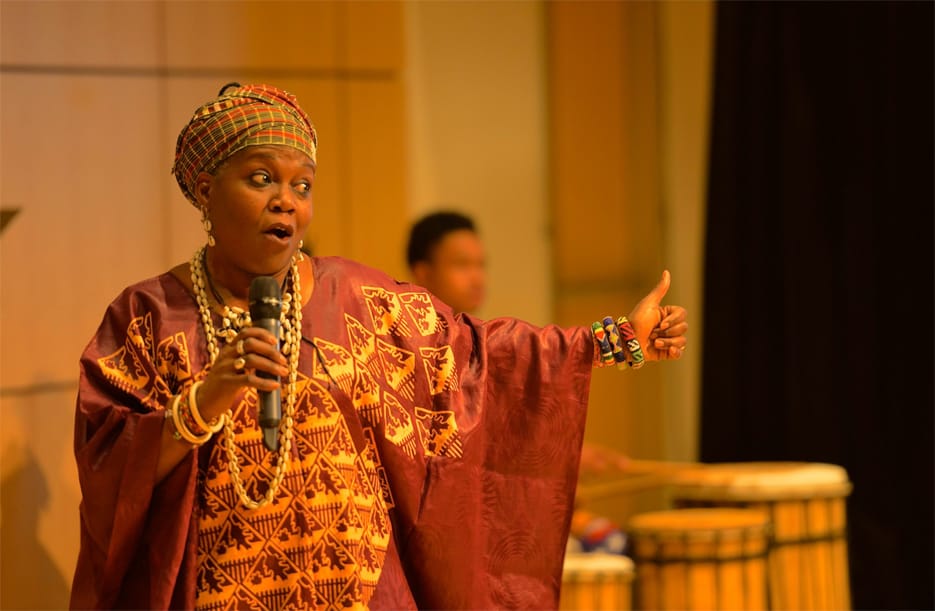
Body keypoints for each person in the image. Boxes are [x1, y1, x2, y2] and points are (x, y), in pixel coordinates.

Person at [70, 83, 687, 610]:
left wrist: (619, 340)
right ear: (205, 189)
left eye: (302, 185)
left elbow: (483, 358)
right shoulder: (148, 317)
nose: (287, 200)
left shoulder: (360, 299)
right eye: (261, 179)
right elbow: (108, 470)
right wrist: (206, 399)